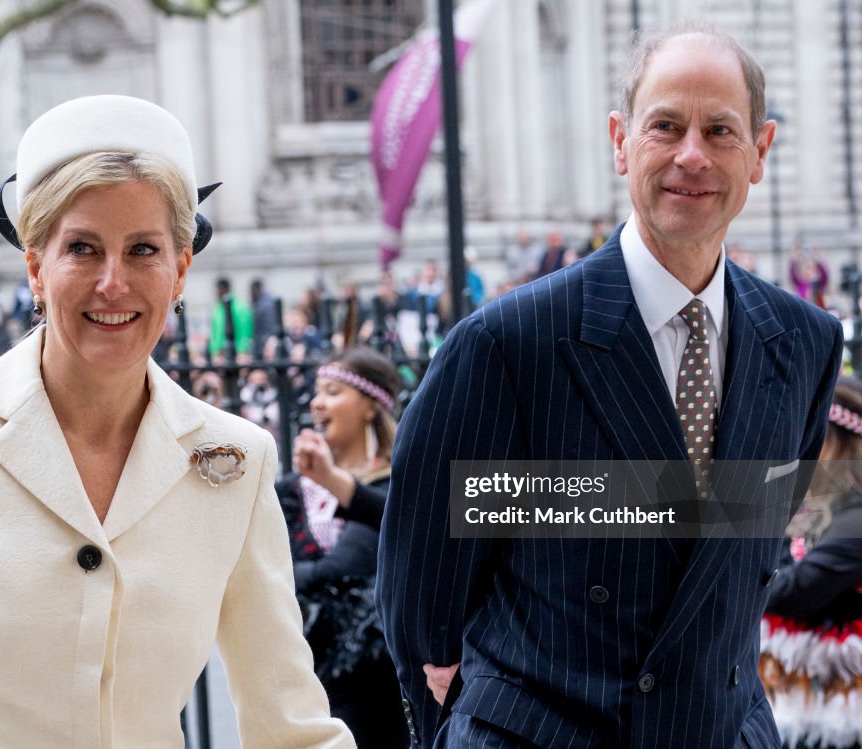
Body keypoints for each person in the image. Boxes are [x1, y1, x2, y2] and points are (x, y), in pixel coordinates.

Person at [377, 21, 843, 749]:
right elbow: (422, 614)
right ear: (621, 140)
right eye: (667, 125)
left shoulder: (809, 343)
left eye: (720, 130)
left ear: (760, 152)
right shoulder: (506, 344)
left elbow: (742, 553)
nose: (692, 154)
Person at [0, 95, 354, 748]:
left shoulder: (236, 458)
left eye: (143, 249)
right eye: (82, 248)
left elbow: (292, 727)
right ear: (34, 266)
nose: (114, 282)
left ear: (180, 271)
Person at [278, 346, 408, 748]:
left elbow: (345, 566)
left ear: (370, 407)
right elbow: (268, 570)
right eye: (317, 391)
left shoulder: (397, 483)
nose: (318, 401)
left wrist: (336, 482)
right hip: (303, 675)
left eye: (333, 391)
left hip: (374, 685)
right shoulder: (290, 489)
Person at [761, 376, 862, 749]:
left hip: (842, 704)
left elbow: (797, 591)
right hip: (796, 691)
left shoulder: (856, 517)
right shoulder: (814, 505)